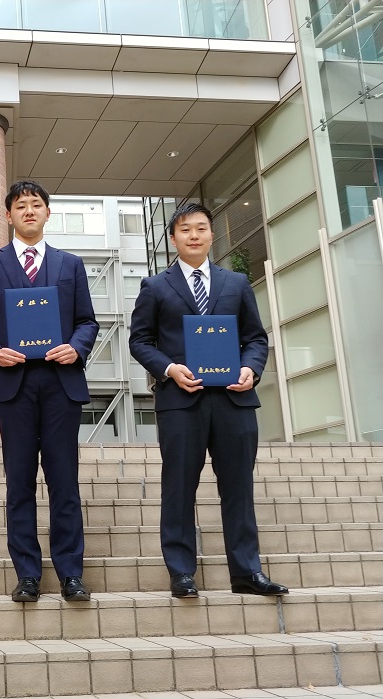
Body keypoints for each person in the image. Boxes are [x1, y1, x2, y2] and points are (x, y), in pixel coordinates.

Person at [128, 202, 288, 598]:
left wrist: (251, 369)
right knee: (179, 486)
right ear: (173, 238)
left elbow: (255, 338)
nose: (194, 235)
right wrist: (169, 369)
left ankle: (247, 571)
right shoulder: (155, 287)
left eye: (201, 228)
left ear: (211, 235)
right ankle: (182, 572)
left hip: (234, 400)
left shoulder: (236, 283)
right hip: (181, 402)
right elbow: (140, 341)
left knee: (238, 488)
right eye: (185, 229)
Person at [0, 180, 98, 603]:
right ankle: (27, 574)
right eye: (20, 205)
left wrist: (75, 348)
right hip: (14, 385)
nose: (28, 211)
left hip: (61, 382)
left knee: (64, 482)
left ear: (47, 213)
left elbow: (87, 321)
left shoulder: (70, 264)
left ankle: (71, 573)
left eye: (36, 205)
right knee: (19, 482)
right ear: (8, 215)